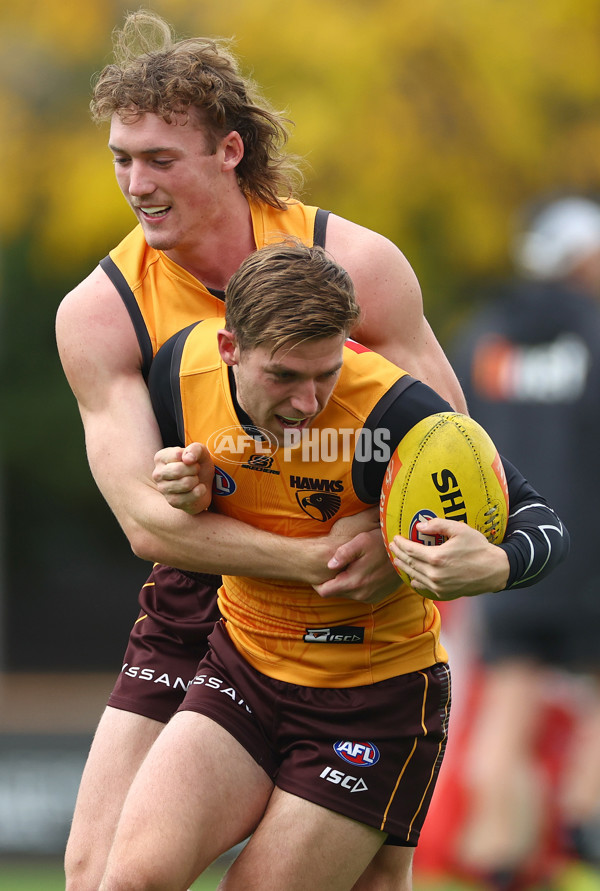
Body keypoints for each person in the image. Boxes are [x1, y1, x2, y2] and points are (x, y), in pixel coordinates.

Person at [55, 11, 476, 890]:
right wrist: (310, 554)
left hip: (357, 622)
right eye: (122, 159)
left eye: (159, 159)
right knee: (104, 876)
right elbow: (146, 522)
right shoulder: (100, 310)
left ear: (230, 152)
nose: (135, 182)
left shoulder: (355, 263)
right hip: (199, 605)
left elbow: (451, 454)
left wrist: (375, 540)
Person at [98, 241, 569, 891]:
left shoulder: (398, 411)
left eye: (326, 372)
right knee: (128, 881)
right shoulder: (178, 370)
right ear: (230, 348)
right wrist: (191, 485)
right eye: (285, 377)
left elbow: (542, 520)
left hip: (371, 704)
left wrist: (494, 562)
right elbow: (175, 505)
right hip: (242, 672)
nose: (307, 401)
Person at [448, 196, 600, 889]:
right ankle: (582, 815)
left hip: (506, 551)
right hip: (586, 552)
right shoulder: (596, 332)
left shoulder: (484, 336)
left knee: (506, 702)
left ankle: (500, 856)